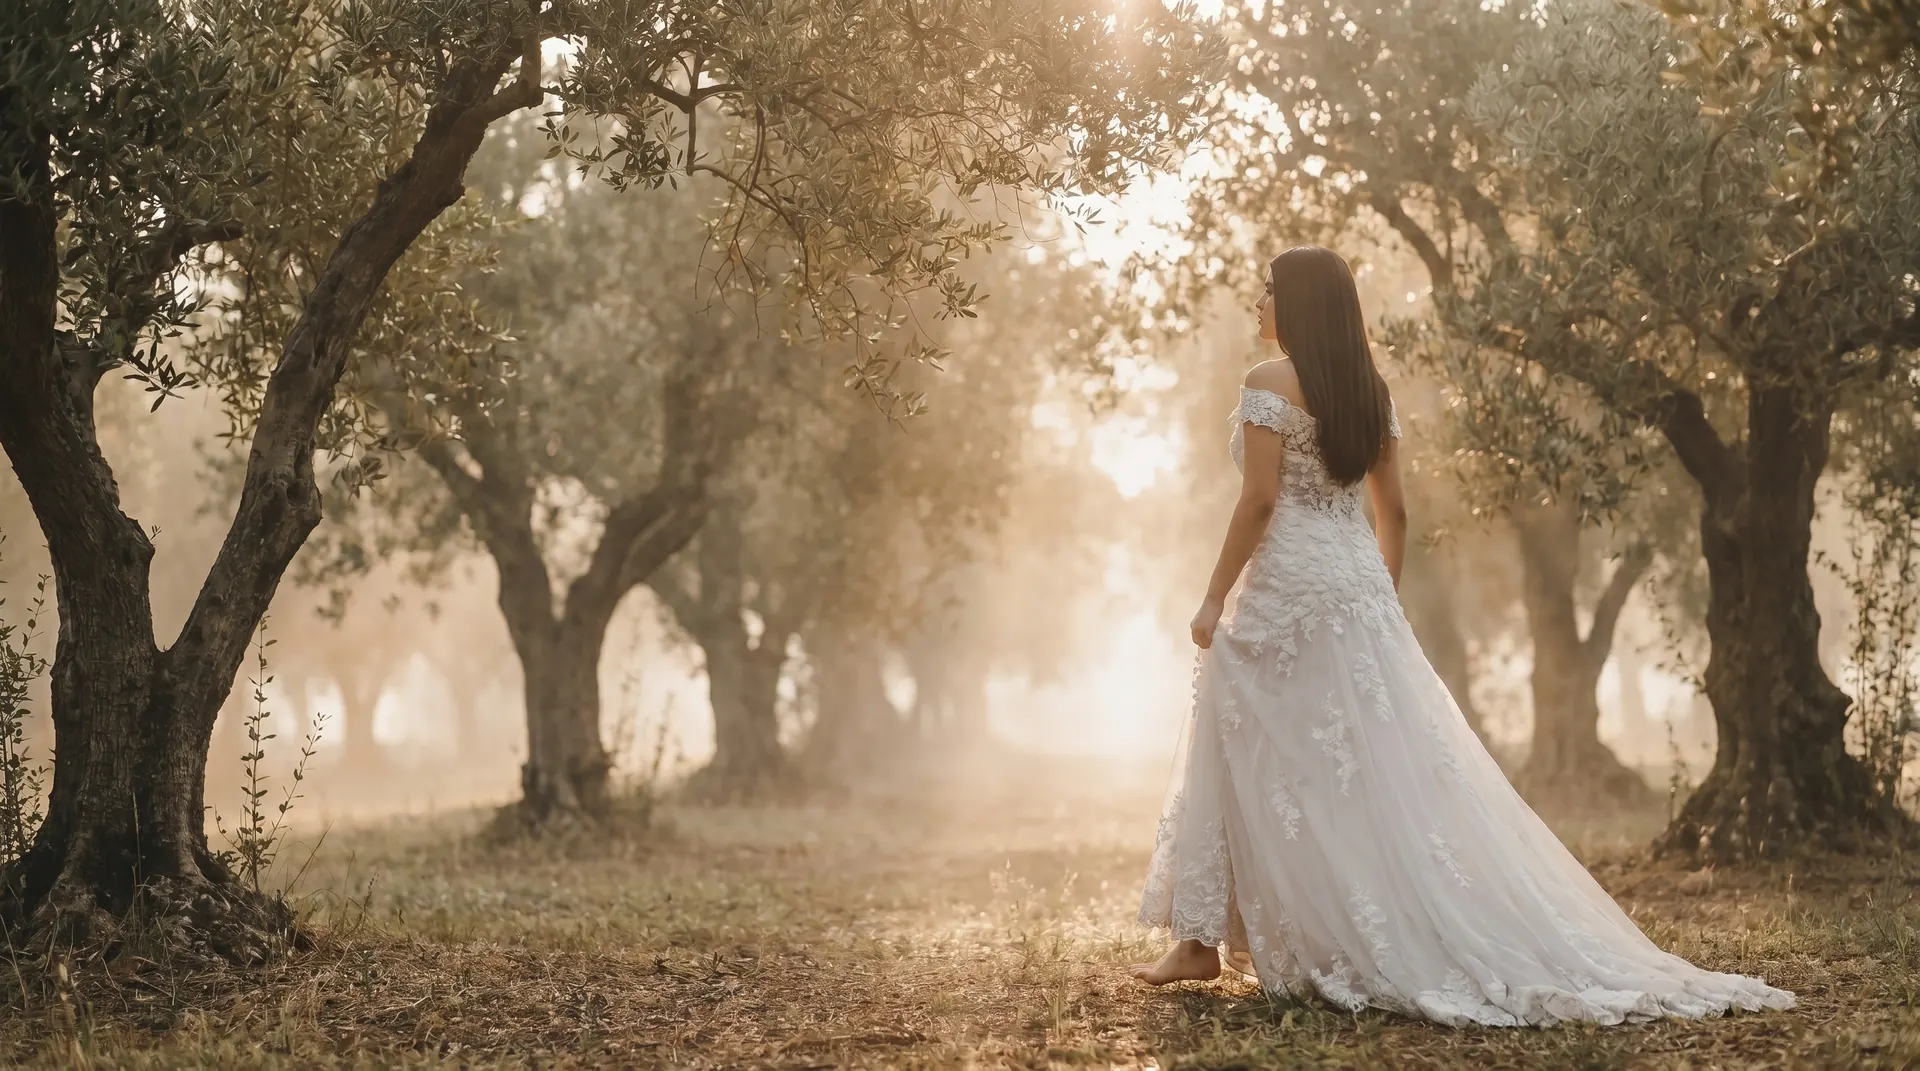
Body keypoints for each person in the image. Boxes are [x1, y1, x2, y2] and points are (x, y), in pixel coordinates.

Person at [1128, 246, 1794, 1026]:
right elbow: (1396, 512)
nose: (1258, 300)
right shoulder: (1369, 392)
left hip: (1290, 584)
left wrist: (1213, 597)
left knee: (1242, 724)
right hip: (1357, 585)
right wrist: (1378, 599)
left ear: (1300, 302)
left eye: (1268, 288)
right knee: (1368, 763)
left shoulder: (1266, 385)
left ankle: (1202, 939)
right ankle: (1226, 931)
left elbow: (1261, 501)